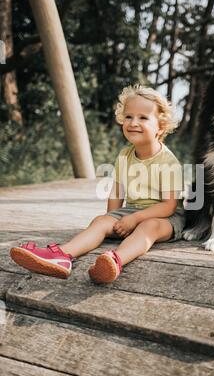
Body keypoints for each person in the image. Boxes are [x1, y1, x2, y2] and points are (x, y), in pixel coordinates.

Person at [10, 85, 185, 283]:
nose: (133, 122)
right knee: (100, 221)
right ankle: (62, 256)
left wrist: (135, 218)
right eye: (128, 117)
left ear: (160, 127)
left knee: (149, 227)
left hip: (165, 218)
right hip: (133, 211)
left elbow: (169, 205)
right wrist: (111, 221)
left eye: (143, 118)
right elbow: (117, 192)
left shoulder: (167, 161)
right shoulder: (125, 155)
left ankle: (115, 260)